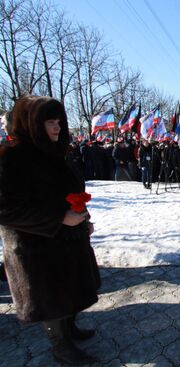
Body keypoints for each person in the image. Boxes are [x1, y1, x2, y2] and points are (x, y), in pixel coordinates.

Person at [0, 96, 101, 365]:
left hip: (65, 240)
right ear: (32, 123)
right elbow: (5, 209)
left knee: (69, 290)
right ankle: (60, 345)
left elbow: (71, 192)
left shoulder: (55, 153)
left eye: (58, 122)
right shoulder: (12, 157)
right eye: (49, 122)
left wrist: (82, 219)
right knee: (51, 298)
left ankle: (69, 329)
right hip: (36, 248)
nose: (57, 128)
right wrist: (58, 219)